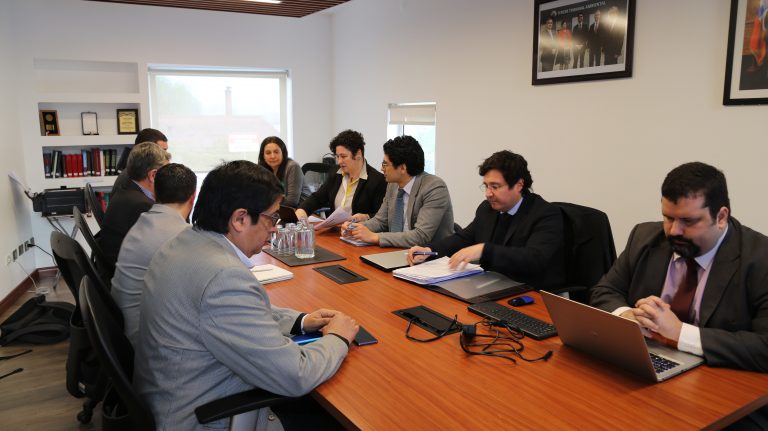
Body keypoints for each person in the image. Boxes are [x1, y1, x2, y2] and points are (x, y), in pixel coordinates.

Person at [133, 160, 359, 430]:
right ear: (240, 219)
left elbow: (235, 314)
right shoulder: (223, 276)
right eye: (271, 217)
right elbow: (295, 375)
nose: (274, 228)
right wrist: (338, 338)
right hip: (204, 418)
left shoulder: (183, 242)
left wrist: (300, 321)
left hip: (172, 396)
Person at [590, 162, 768, 428]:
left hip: (725, 396)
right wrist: (627, 316)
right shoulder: (644, 237)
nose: (674, 231)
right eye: (668, 218)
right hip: (648, 375)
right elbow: (605, 290)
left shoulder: (760, 259)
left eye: (688, 221)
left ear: (721, 217)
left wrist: (678, 333)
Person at [407, 150, 565, 290]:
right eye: (486, 186)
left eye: (495, 187)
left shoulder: (546, 214)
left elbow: (534, 259)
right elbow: (464, 238)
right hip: (487, 286)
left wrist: (485, 250)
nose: (488, 194)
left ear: (519, 185)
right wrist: (429, 250)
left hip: (526, 291)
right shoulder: (487, 208)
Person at [110, 163, 196, 347]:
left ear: (154, 193)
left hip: (125, 328)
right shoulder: (181, 236)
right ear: (193, 197)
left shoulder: (144, 221)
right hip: (145, 340)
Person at [340, 135, 454, 248]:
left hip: (429, 255)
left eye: (385, 164)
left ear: (403, 168)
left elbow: (421, 236)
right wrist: (355, 228)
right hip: (396, 251)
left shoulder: (434, 188)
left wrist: (376, 237)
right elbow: (380, 221)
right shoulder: (393, 185)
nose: (381, 168)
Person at [98, 142, 170, 268]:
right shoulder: (142, 205)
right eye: (165, 173)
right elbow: (161, 248)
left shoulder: (127, 190)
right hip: (125, 271)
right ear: (153, 175)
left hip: (114, 263)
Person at [296, 130, 386, 223]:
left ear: (358, 154)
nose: (339, 161)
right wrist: (302, 210)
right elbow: (318, 198)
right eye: (337, 156)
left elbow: (382, 218)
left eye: (343, 156)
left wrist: (366, 217)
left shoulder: (377, 181)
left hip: (358, 231)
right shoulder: (335, 173)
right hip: (334, 229)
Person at [258, 136, 310, 208]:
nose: (272, 156)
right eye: (268, 153)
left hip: (301, 209)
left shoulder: (292, 166)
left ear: (283, 153)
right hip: (278, 208)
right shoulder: (262, 169)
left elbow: (292, 201)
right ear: (263, 156)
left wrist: (268, 209)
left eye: (276, 152)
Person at [112, 128, 169, 194]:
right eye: (162, 151)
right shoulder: (132, 179)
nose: (166, 155)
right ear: (146, 150)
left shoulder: (135, 172)